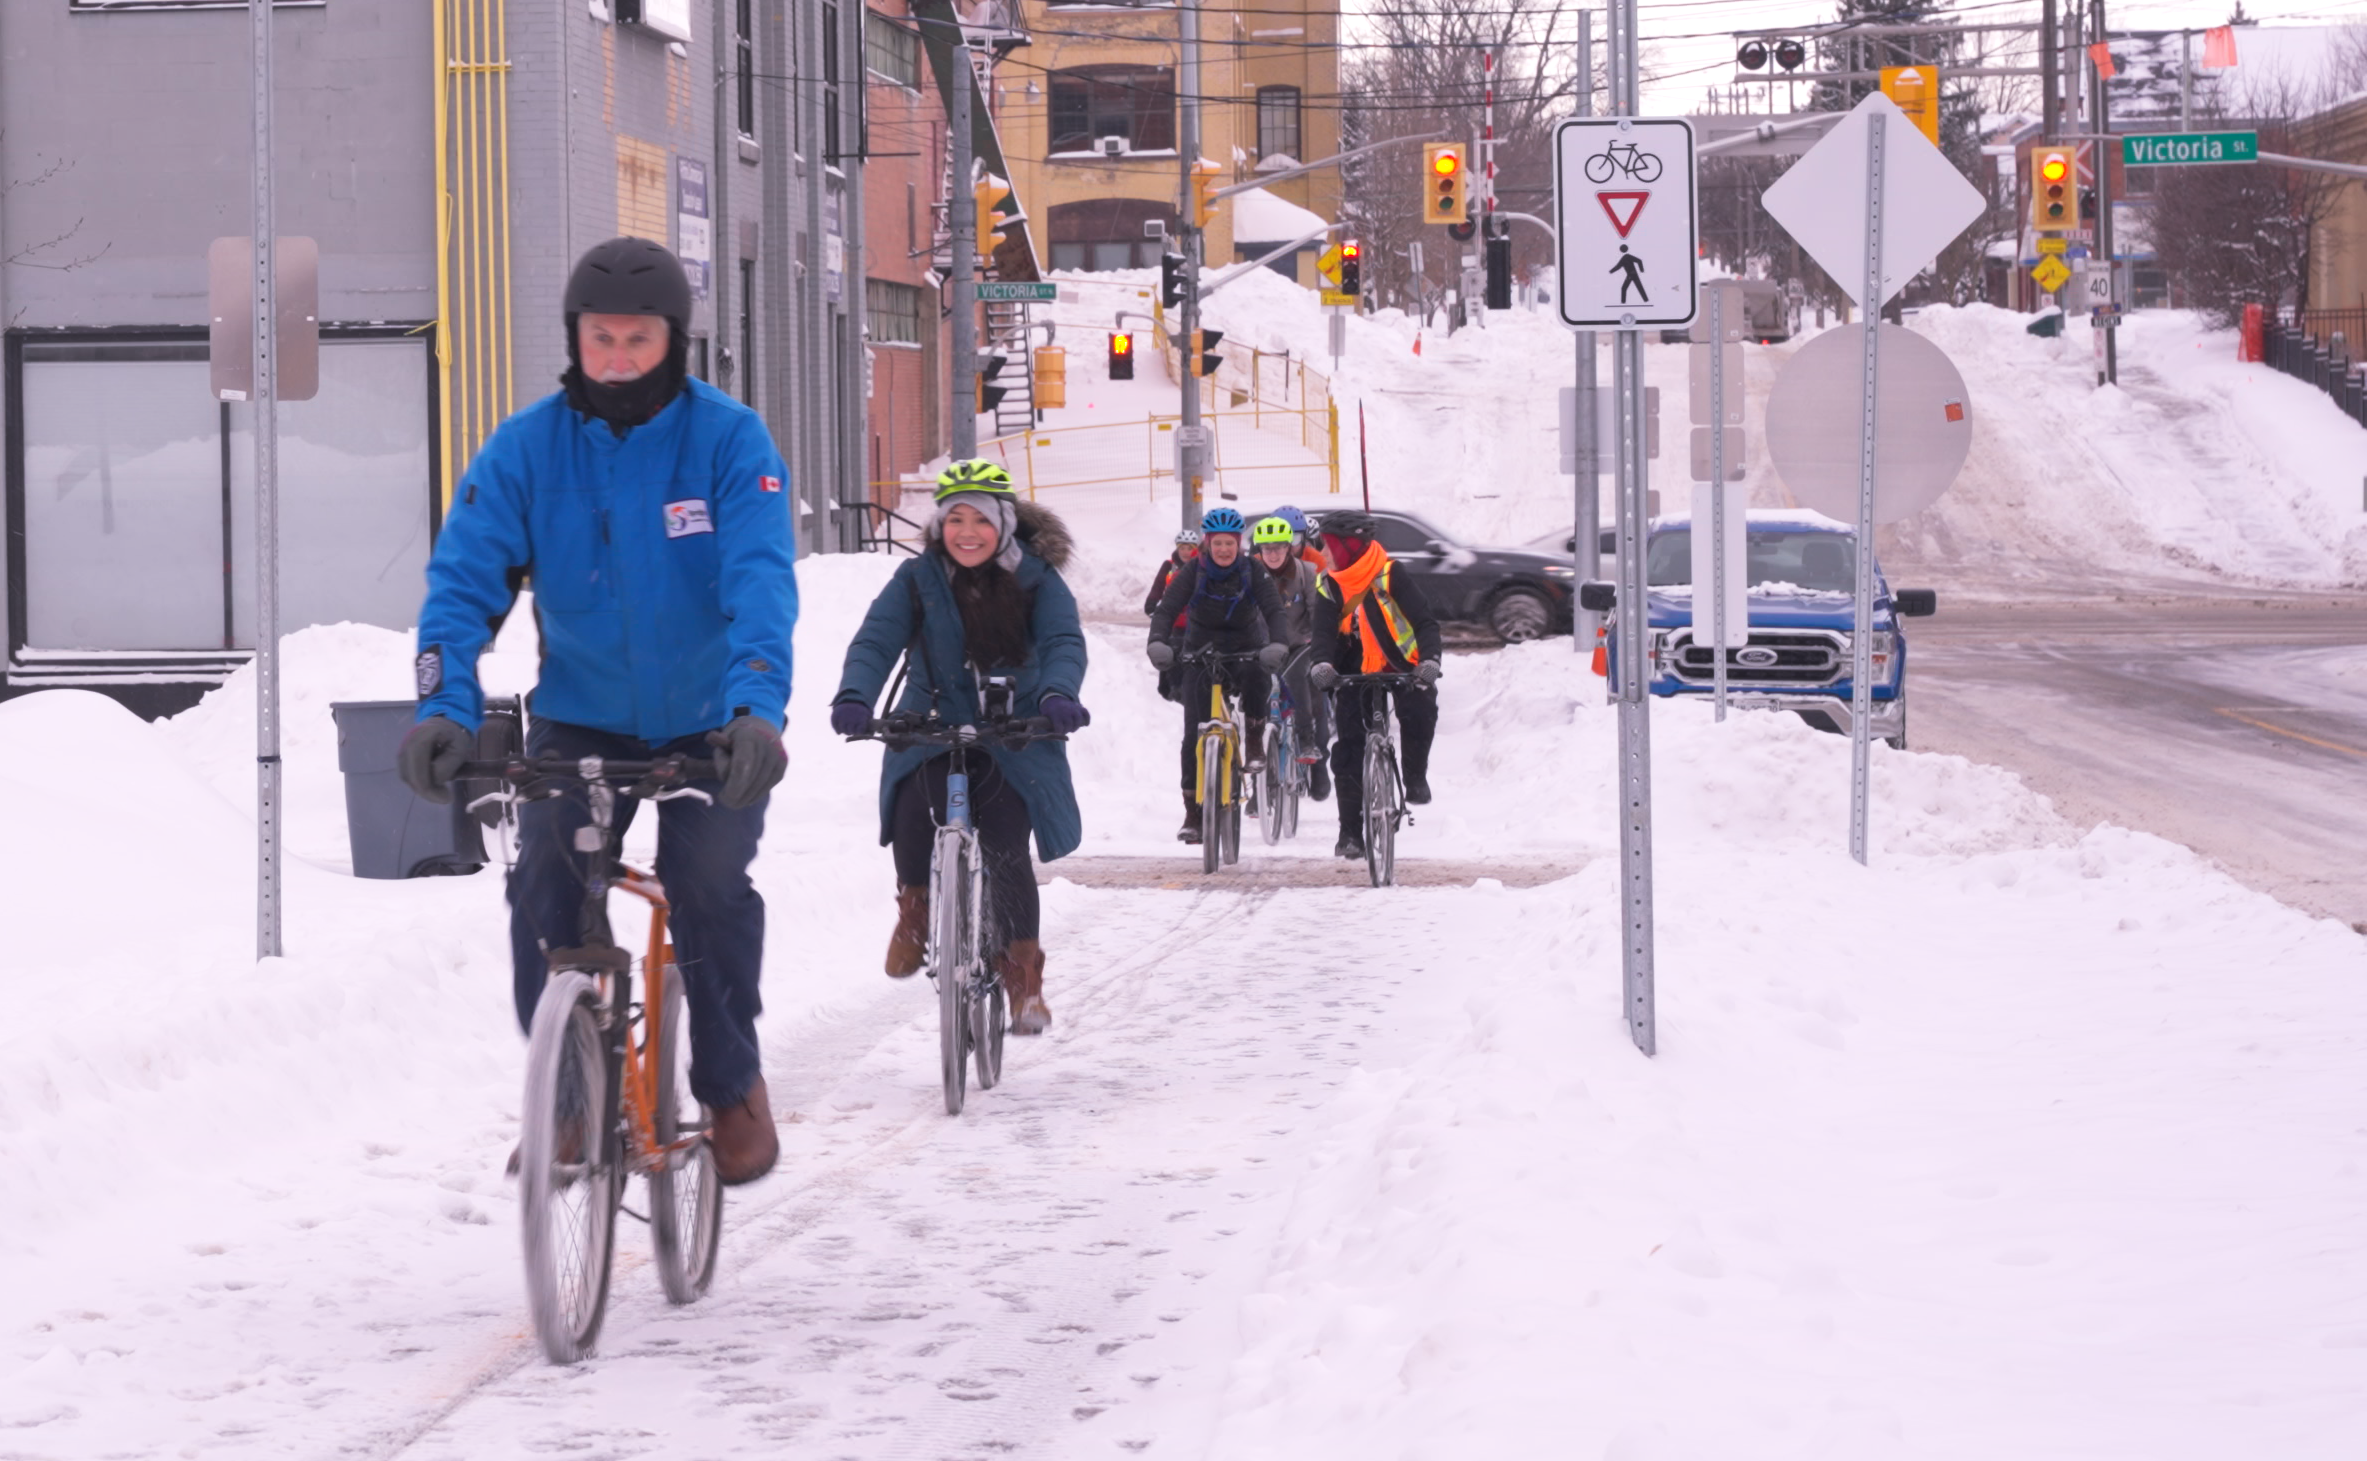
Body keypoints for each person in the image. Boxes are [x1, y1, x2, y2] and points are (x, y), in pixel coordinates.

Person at [399, 237, 795, 1186]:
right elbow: (461, 585)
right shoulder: (527, 447)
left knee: (708, 884)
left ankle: (731, 1081)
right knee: (543, 875)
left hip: (712, 725)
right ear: (574, 338)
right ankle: (570, 1094)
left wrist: (756, 708)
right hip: (581, 718)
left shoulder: (728, 440)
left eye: (638, 339)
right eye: (600, 338)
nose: (617, 357)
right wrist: (442, 701)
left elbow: (759, 581)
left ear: (676, 341)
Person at [829, 461, 1087, 1036]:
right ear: (941, 524)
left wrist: (1057, 694)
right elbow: (876, 638)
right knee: (911, 801)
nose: (966, 532)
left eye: (981, 520)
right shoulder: (917, 580)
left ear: (1004, 523)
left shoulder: (1038, 579)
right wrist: (854, 696)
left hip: (1015, 728)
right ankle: (916, 913)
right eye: (955, 519)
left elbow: (1063, 640)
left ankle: (1022, 976)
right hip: (931, 719)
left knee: (1003, 838)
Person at [1147, 507, 1288, 844]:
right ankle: (1193, 813)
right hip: (1200, 651)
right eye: (1218, 543)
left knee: (1256, 675)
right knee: (1192, 733)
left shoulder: (1253, 569)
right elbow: (1166, 609)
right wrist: (1157, 642)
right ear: (1207, 543)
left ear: (1238, 543)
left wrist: (1278, 643)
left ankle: (1253, 736)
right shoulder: (1193, 571)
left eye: (1230, 543)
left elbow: (1273, 609)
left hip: (1244, 646)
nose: (1224, 549)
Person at [1308, 509, 1443, 860]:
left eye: (1329, 544)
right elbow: (1321, 633)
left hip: (1400, 661)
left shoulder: (1389, 573)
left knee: (1420, 709)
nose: (1324, 552)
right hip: (1352, 666)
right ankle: (1350, 832)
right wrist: (1322, 664)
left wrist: (1429, 661)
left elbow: (1425, 622)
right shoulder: (1329, 583)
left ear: (1347, 545)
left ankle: (1415, 778)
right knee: (1349, 746)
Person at [1250, 512, 1331, 802]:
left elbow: (1317, 615)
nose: (1272, 554)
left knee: (1304, 686)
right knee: (1251, 698)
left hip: (1299, 647)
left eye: (1279, 547)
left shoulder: (1308, 572)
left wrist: (1316, 642)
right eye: (1266, 549)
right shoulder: (1250, 574)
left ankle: (1311, 749)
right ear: (1259, 551)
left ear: (1290, 547)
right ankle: (1257, 790)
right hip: (1262, 649)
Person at [1144, 529, 1200, 702]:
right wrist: (1152, 604)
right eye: (1182, 548)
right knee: (1171, 654)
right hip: (1175, 622)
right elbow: (1158, 587)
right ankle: (1173, 688)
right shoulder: (1169, 566)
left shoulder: (1201, 566)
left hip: (1194, 622)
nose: (1185, 552)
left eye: (1189, 548)